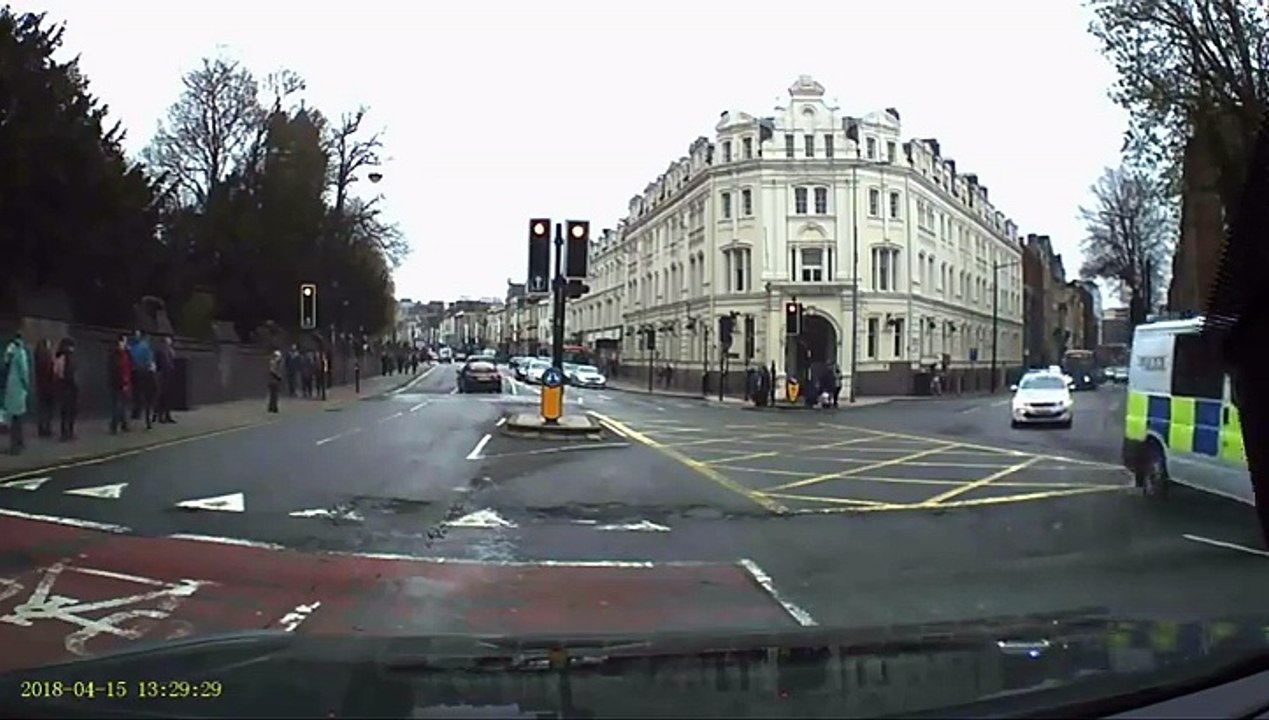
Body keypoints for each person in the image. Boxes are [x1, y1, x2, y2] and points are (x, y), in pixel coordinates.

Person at [2, 331, 31, 455]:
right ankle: (16, 445)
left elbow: (5, 364)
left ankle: (17, 443)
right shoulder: (20, 352)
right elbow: (24, 371)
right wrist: (27, 385)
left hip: (10, 387)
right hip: (18, 388)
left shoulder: (10, 351)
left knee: (14, 418)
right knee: (17, 418)